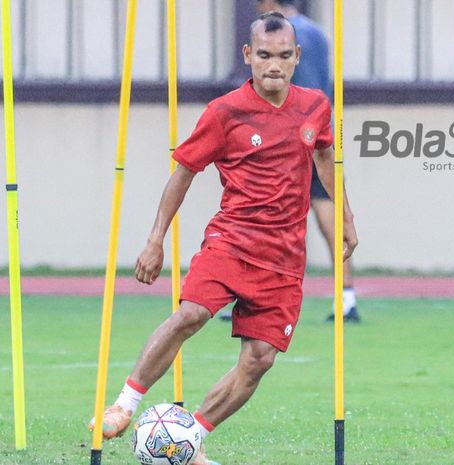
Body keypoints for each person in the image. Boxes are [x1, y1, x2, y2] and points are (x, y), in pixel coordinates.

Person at [89, 12, 358, 464]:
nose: (275, 66)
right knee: (190, 314)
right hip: (232, 241)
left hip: (285, 258)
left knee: (259, 360)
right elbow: (184, 173)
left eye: (284, 56)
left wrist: (346, 215)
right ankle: (124, 404)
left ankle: (186, 439)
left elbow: (327, 155)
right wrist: (156, 239)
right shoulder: (224, 112)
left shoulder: (315, 106)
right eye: (265, 56)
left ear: (298, 58)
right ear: (248, 56)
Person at [257, 0, 360, 322]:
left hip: (287, 135)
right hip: (320, 132)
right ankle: (347, 297)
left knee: (268, 214)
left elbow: (273, 85)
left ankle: (259, 297)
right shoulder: (316, 33)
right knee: (328, 212)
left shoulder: (274, 35)